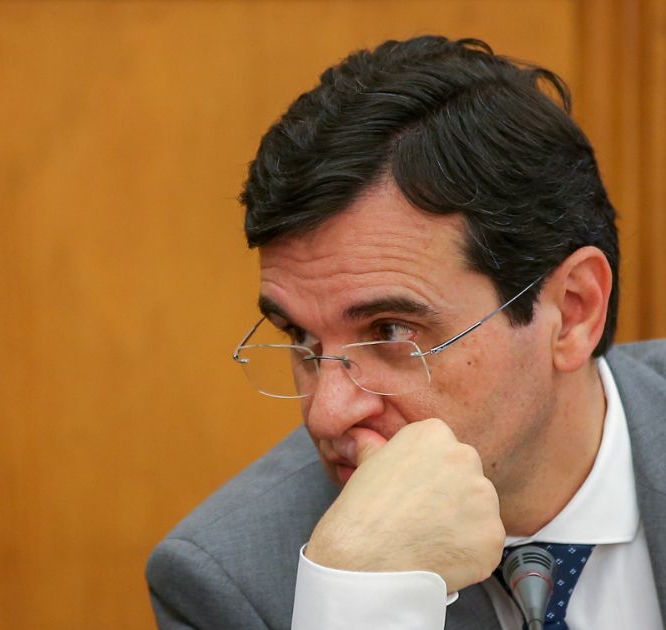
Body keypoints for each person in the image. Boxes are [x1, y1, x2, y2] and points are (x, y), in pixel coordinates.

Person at [146, 35, 666, 629]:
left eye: (390, 330)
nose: (326, 414)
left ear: (572, 311)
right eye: (302, 338)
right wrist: (356, 605)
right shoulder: (232, 585)